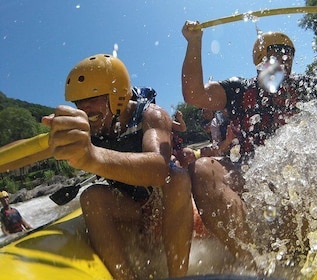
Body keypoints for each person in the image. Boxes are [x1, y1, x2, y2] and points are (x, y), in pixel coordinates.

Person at [181, 0, 317, 270]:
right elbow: (194, 94)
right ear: (261, 60)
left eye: (288, 52)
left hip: (293, 171)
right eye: (277, 52)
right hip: (248, 171)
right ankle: (252, 265)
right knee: (202, 169)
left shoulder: (301, 86)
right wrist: (194, 42)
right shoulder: (238, 89)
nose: (284, 58)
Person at [5, 54, 193, 279]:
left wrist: (92, 156)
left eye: (92, 99)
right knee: (91, 196)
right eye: (78, 102)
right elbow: (26, 151)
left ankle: (179, 276)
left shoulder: (151, 115)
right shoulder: (88, 126)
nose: (84, 109)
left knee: (178, 178)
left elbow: (159, 169)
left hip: (164, 206)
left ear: (118, 96)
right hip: (130, 208)